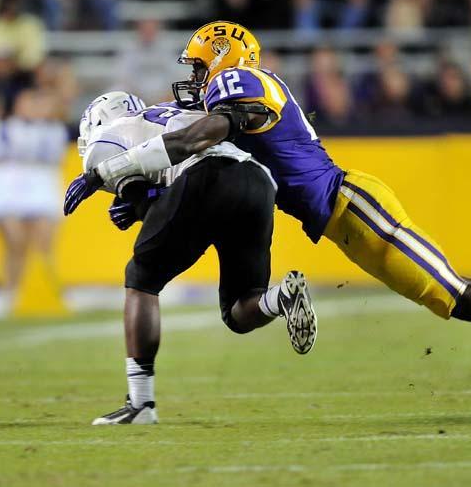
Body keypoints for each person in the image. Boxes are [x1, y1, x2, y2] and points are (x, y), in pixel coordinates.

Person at [65, 22, 471, 417]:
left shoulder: (240, 84)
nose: (190, 74)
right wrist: (138, 193)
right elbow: (199, 157)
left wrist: (106, 170)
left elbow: (199, 137)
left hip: (352, 204)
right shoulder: (229, 97)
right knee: (447, 299)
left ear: (222, 59)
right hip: (341, 222)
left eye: (197, 62)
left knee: (454, 294)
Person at [65, 91, 317, 424]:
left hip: (206, 178)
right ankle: (281, 298)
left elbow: (144, 193)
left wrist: (135, 204)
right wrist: (143, 205)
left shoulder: (106, 138)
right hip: (257, 181)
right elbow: (168, 183)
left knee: (141, 277)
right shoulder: (166, 112)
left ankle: (141, 404)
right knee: (240, 309)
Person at [0, 88, 67, 302]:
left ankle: (48, 290)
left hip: (43, 182)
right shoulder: (6, 128)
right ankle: (12, 292)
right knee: (16, 241)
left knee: (44, 242)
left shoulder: (55, 129)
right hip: (12, 182)